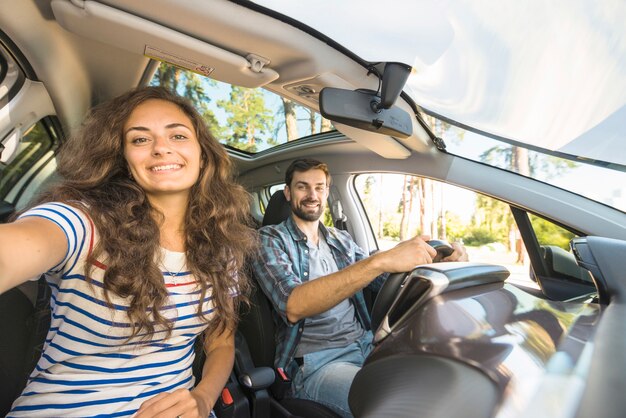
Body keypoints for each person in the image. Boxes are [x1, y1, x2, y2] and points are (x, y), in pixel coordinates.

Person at [0, 86, 255, 417]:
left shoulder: (222, 249)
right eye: (140, 139)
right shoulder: (86, 223)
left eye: (178, 136)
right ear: (121, 157)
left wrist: (203, 397)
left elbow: (221, 340)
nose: (161, 148)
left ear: (203, 154)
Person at [251, 158, 468, 417]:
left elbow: (381, 279)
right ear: (288, 193)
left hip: (367, 345)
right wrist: (380, 260)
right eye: (302, 187)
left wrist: (436, 261)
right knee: (401, 408)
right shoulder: (269, 239)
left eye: (320, 187)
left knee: (442, 385)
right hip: (318, 364)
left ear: (327, 192)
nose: (312, 195)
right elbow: (293, 305)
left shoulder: (340, 238)